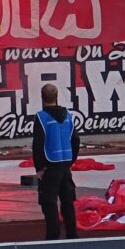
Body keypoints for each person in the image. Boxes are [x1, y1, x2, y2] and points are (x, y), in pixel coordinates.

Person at [31, 83, 81, 240]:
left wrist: (39, 168)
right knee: (68, 201)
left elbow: (38, 144)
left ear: (42, 97)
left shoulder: (41, 117)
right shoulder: (68, 116)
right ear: (57, 96)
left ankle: (53, 235)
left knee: (49, 201)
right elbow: (75, 139)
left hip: (50, 166)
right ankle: (72, 234)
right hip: (65, 165)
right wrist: (71, 160)